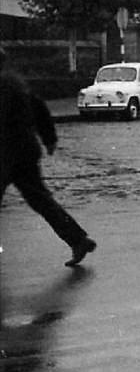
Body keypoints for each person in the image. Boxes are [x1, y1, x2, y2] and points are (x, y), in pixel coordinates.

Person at [0, 48, 96, 267]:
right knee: (40, 199)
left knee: (40, 199)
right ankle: (78, 240)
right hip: (24, 149)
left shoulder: (4, 87)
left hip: (8, 152)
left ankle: (78, 240)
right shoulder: (15, 83)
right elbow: (40, 109)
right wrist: (49, 139)